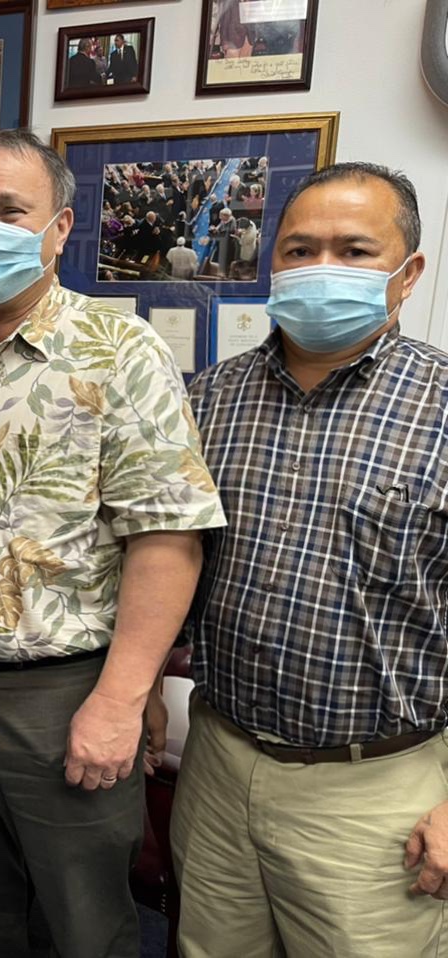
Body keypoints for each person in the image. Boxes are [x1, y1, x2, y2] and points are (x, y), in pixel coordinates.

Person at [0, 128, 225, 958]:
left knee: (84, 920)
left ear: (59, 229)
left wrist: (118, 698)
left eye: (10, 209)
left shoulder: (120, 351)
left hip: (64, 690)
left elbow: (169, 535)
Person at [174, 162, 445, 958]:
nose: (321, 268)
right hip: (219, 762)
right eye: (298, 250)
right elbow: (176, 563)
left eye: (355, 250)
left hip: (377, 793)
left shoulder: (440, 408)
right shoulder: (210, 398)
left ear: (408, 275)